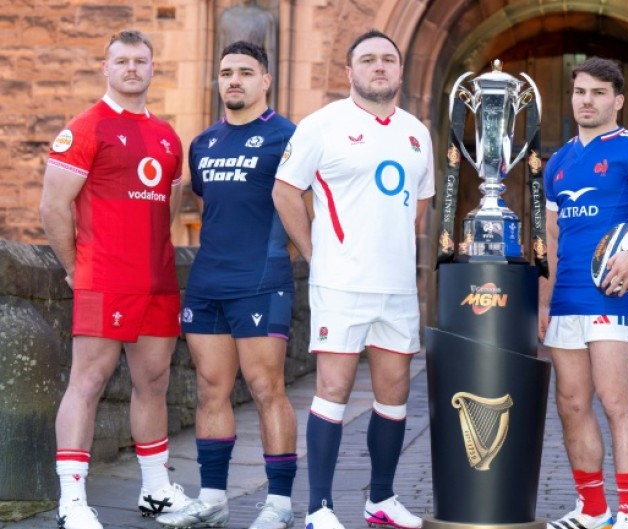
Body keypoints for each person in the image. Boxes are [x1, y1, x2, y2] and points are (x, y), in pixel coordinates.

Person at [272, 29, 434, 529]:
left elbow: (421, 200)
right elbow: (284, 191)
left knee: (394, 393)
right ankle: (319, 508)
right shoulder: (322, 125)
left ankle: (379, 500)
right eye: (368, 60)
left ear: (400, 71)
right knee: (334, 389)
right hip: (341, 283)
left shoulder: (416, 132)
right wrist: (316, 253)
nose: (379, 67)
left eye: (388, 59)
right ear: (350, 72)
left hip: (396, 287)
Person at [38, 29, 191, 529]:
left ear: (152, 68)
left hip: (157, 280)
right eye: (121, 61)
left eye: (140, 61)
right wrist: (74, 267)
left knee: (154, 381)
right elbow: (53, 206)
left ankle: (155, 490)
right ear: (106, 68)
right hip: (104, 278)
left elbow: (166, 210)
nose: (131, 68)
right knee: (88, 381)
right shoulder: (86, 127)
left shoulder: (169, 137)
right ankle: (72, 501)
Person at [153, 41, 298, 529]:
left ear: (265, 80)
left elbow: (306, 207)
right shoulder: (203, 144)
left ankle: (278, 504)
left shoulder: (286, 137)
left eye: (244, 72)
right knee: (211, 389)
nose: (233, 80)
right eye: (225, 72)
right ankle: (212, 499)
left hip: (260, 281)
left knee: (266, 388)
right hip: (207, 281)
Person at [538, 57, 628, 529]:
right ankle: (593, 509)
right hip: (566, 300)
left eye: (598, 92)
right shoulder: (557, 163)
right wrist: (543, 300)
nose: (587, 100)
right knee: (572, 403)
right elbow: (552, 238)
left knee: (616, 400)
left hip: (611, 293)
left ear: (617, 100)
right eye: (580, 91)